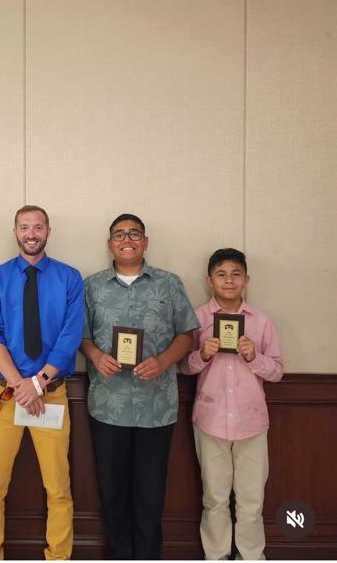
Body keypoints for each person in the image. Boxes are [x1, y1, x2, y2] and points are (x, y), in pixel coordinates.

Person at [81, 213, 199, 560]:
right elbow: (80, 335)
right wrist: (95, 355)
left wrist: (163, 361)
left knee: (150, 494)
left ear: (145, 242)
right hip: (107, 405)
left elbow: (187, 334)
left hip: (156, 407)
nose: (127, 240)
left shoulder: (169, 283)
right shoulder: (91, 286)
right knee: (113, 493)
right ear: (110, 244)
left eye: (134, 233)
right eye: (119, 234)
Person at [0, 205, 84, 560]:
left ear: (48, 231)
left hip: (51, 395)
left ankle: (59, 557)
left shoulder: (69, 278)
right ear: (15, 232)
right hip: (5, 394)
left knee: (58, 487)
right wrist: (21, 385)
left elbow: (70, 336)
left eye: (38, 227)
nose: (31, 234)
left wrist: (38, 383)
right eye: (25, 227)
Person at [180, 248, 283, 560]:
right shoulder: (197, 318)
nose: (229, 280)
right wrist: (202, 355)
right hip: (210, 420)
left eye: (236, 274)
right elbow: (183, 366)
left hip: (252, 423)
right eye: (221, 274)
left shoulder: (261, 322)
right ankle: (217, 556)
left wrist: (254, 357)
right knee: (215, 498)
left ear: (246, 280)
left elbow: (277, 371)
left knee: (252, 500)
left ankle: (251, 556)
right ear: (209, 280)